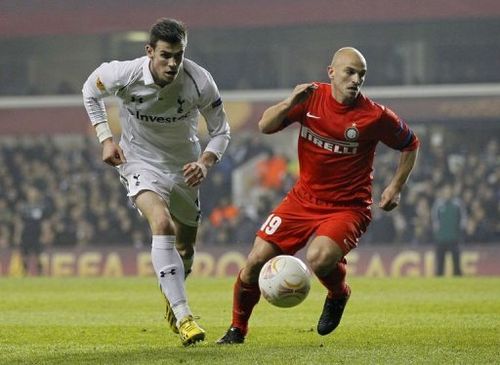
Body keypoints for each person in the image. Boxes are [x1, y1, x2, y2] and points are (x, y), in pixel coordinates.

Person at [217, 47, 419, 344]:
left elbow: (411, 143)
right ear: (331, 72)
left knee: (320, 258)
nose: (356, 80)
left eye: (361, 75)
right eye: (350, 72)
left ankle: (338, 293)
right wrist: (290, 101)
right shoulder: (310, 99)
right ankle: (237, 329)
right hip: (302, 199)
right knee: (255, 261)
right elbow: (264, 125)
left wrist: (395, 186)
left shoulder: (375, 116)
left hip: (348, 207)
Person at [82, 18, 231, 346]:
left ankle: (173, 289)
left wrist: (205, 163)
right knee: (161, 224)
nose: (173, 63)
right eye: (165, 55)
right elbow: (90, 91)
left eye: (178, 55)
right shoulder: (124, 73)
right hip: (139, 161)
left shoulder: (200, 82)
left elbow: (221, 131)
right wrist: (106, 138)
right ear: (149, 51)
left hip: (184, 168)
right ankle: (184, 316)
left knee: (186, 245)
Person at [431, 184, 466, 276]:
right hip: (441, 238)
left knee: (456, 262)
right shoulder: (438, 204)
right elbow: (434, 220)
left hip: (454, 237)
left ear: (452, 192)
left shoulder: (458, 204)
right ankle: (439, 281)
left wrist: (460, 232)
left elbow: (463, 219)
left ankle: (458, 279)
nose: (447, 193)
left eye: (449, 191)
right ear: (443, 193)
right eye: (445, 191)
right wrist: (437, 233)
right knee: (440, 263)